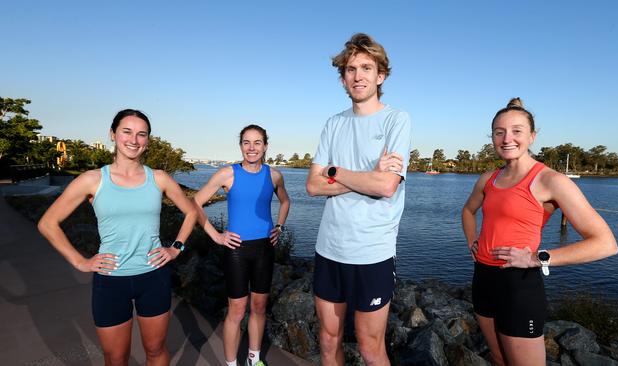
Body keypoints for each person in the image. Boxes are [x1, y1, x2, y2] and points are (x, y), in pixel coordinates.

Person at [461, 98, 618, 366]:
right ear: (492, 138)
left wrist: (537, 258)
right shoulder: (488, 178)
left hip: (519, 283)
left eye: (517, 131)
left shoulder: (551, 181)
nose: (507, 138)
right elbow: (467, 211)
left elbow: (605, 244)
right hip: (483, 278)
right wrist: (472, 242)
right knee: (499, 359)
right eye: (499, 132)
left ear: (532, 136)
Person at [38, 109, 198, 366]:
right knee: (115, 357)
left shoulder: (158, 178)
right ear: (112, 134)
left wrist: (175, 248)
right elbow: (47, 223)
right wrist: (81, 262)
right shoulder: (92, 180)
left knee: (156, 351)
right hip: (111, 281)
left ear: (147, 141)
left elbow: (191, 213)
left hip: (153, 276)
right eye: (127, 131)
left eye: (141, 134)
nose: (134, 140)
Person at [305, 33, 411, 366]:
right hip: (329, 249)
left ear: (381, 75)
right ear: (342, 78)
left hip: (372, 253)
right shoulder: (333, 124)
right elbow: (312, 185)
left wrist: (334, 171)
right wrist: (367, 177)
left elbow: (386, 187)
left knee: (369, 346)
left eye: (367, 67)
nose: (358, 75)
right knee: (328, 340)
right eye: (351, 69)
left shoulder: (397, 120)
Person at [193, 124, 290, 366]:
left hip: (265, 249)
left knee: (259, 307)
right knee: (236, 311)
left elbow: (285, 202)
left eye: (257, 142)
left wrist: (279, 227)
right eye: (246, 142)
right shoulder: (228, 174)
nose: (252, 147)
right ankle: (230, 363)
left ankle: (253, 359)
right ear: (240, 146)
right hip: (236, 249)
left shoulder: (274, 175)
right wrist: (216, 235)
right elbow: (195, 203)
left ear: (265, 146)